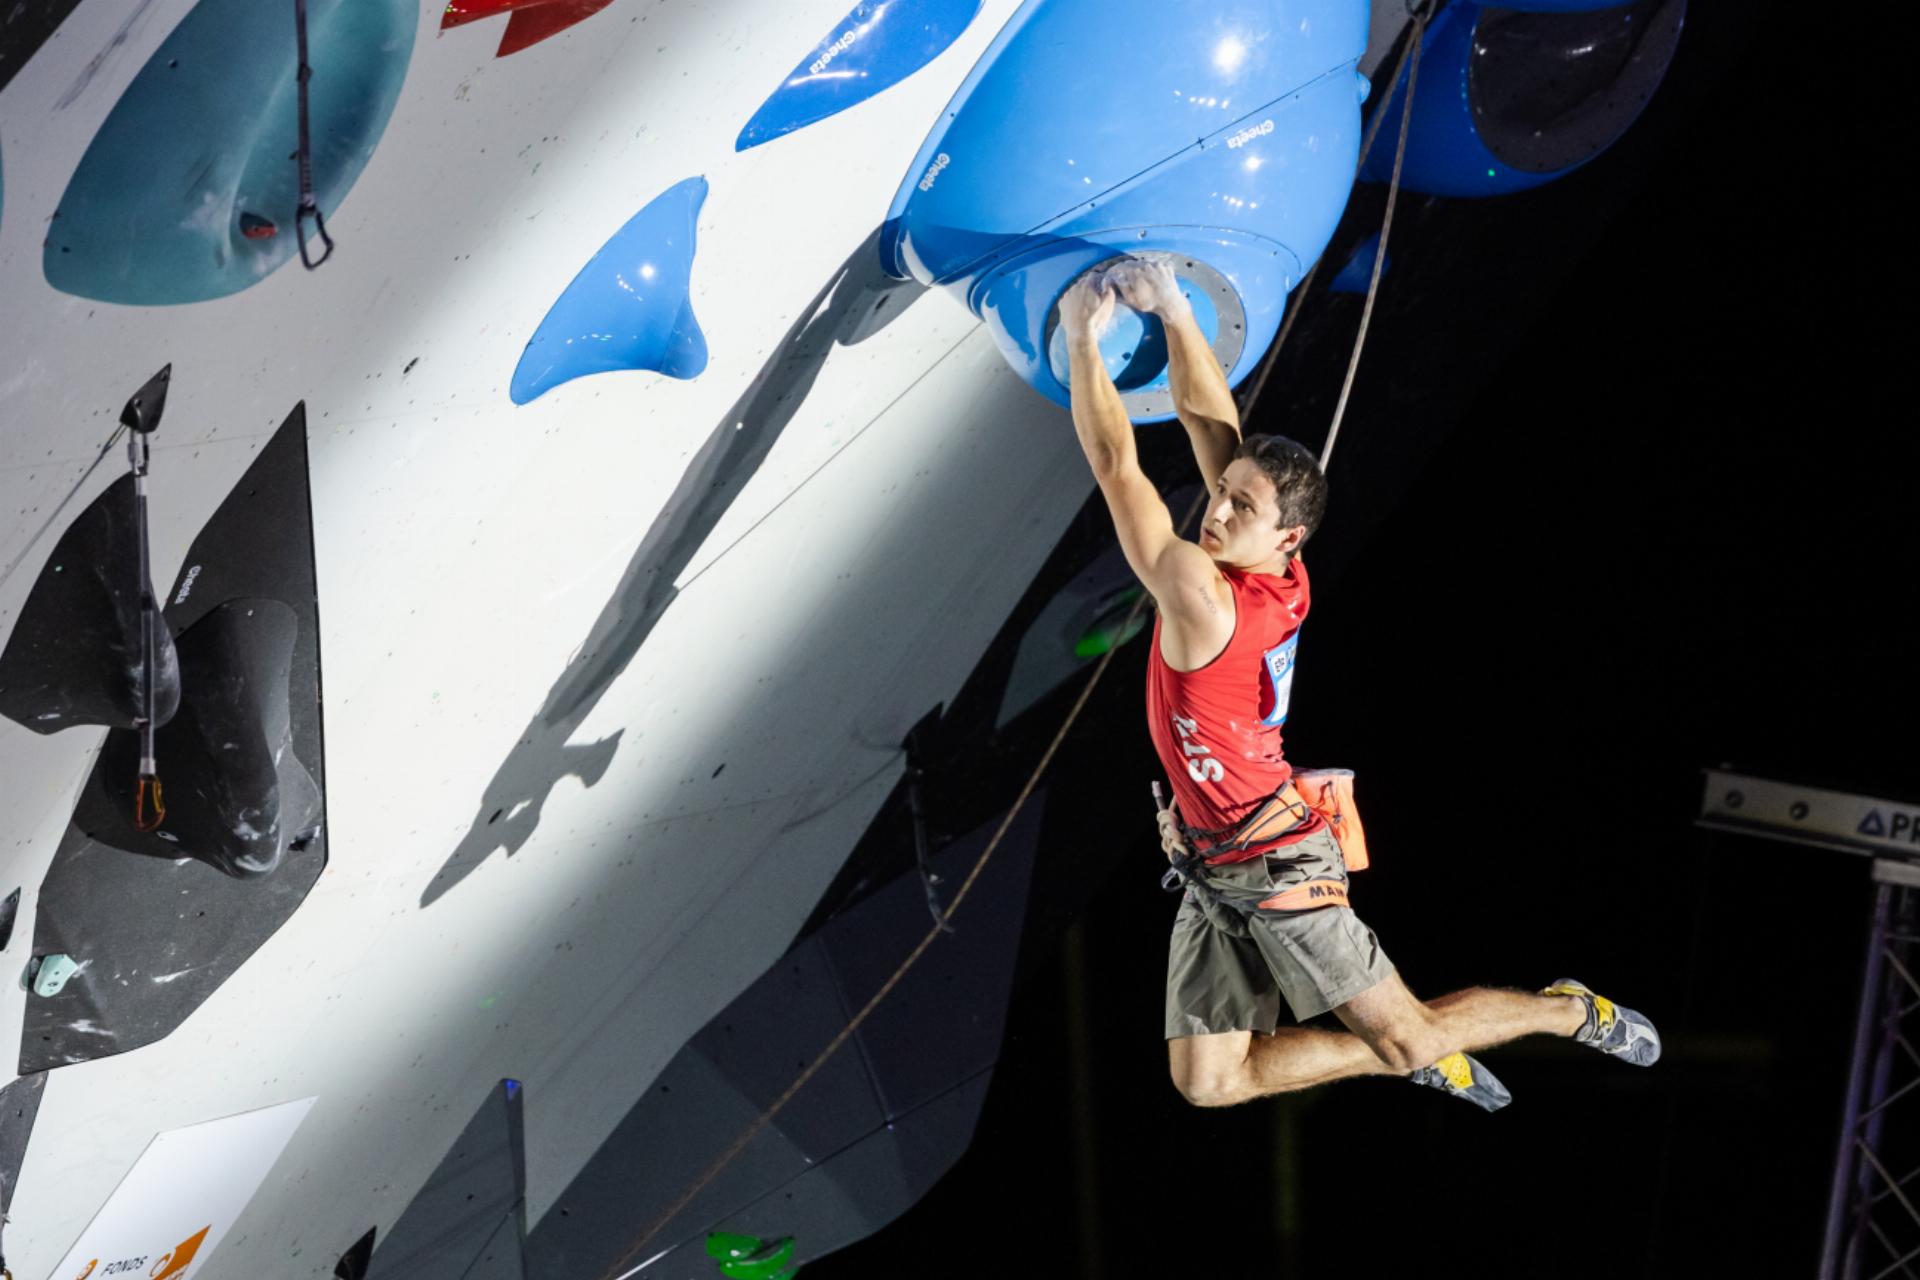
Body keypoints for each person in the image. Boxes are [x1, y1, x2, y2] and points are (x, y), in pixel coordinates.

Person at [1057, 256, 1659, 1110]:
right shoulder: (1281, 573)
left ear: (1288, 537)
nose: (1216, 513)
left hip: (1272, 859)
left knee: (1408, 1032)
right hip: (1213, 857)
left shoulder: (1199, 592)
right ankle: (1410, 1050)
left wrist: (1084, 336)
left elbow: (1119, 466)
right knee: (1210, 1083)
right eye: (1222, 497)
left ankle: (1570, 1012)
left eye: (1240, 510)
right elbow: (1212, 423)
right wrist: (1174, 315)